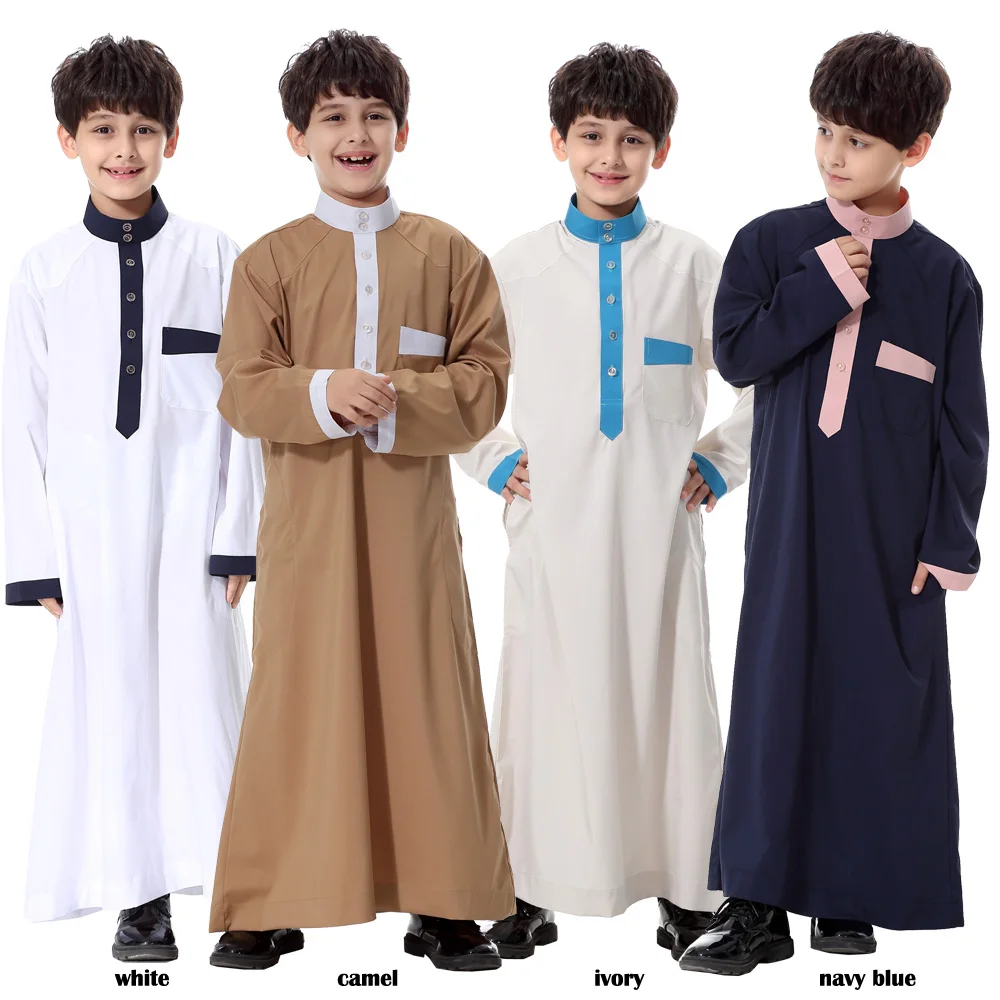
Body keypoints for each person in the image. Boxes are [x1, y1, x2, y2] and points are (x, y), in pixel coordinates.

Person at [680, 31, 987, 976]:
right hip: (789, 525)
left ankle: (850, 898)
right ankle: (755, 903)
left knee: (880, 708)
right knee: (775, 700)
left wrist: (949, 541)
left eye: (858, 140)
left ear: (915, 149)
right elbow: (737, 356)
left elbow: (963, 424)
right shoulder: (772, 244)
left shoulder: (945, 278)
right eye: (825, 130)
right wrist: (822, 286)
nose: (834, 154)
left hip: (894, 540)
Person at [206, 30, 514, 972]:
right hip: (307, 529)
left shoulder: (450, 255)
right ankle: (268, 900)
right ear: (297, 136)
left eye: (375, 116)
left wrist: (394, 398)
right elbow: (241, 386)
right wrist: (321, 391)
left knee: (429, 699)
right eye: (333, 117)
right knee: (298, 699)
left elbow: (485, 383)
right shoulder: (268, 262)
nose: (356, 134)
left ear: (402, 132)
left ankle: (446, 902)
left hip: (413, 527)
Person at [455, 42, 753, 960]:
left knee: (670, 701)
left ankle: (687, 888)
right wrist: (494, 462)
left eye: (631, 139)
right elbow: (457, 386)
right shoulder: (512, 267)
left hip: (659, 531)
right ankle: (525, 886)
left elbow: (762, 381)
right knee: (541, 703)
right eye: (591, 136)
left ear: (661, 149)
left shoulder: (695, 264)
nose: (610, 157)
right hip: (553, 530)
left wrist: (721, 461)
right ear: (558, 142)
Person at [2, 35, 263, 961]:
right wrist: (33, 560)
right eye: (104, 129)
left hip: (194, 518)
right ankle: (138, 897)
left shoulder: (215, 256)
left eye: (144, 129)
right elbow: (16, 421)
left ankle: (241, 885)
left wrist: (240, 536)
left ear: (172, 139)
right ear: (67, 140)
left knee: (206, 696)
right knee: (112, 706)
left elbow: (247, 408)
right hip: (92, 530)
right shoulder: (43, 271)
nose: (125, 149)